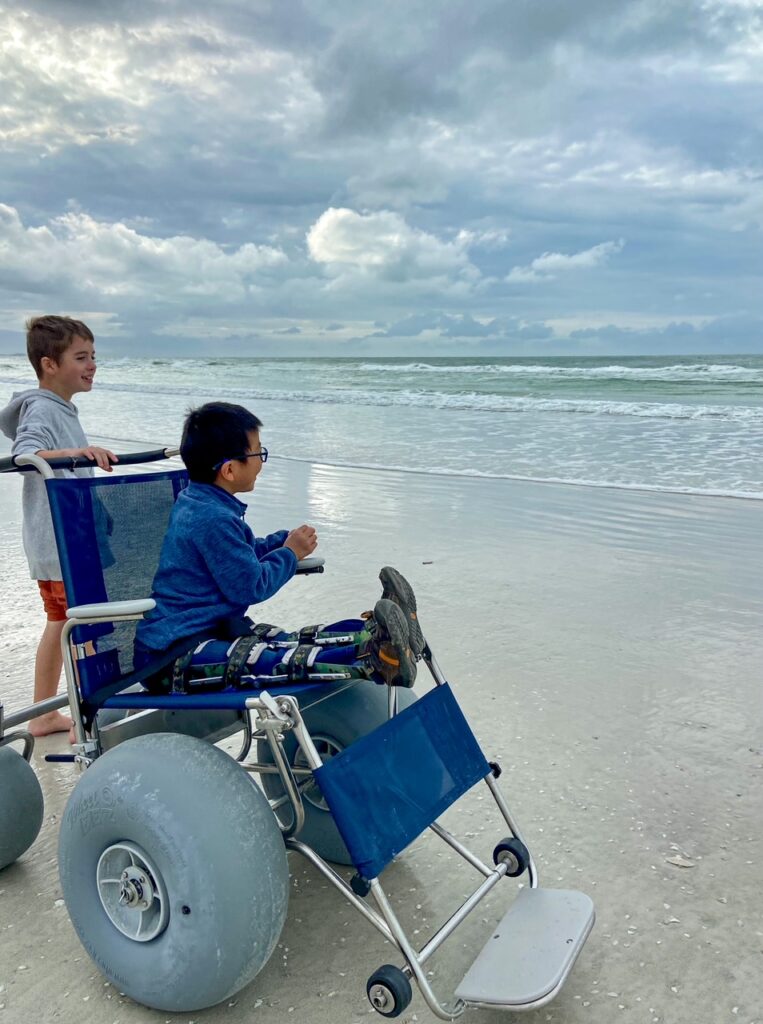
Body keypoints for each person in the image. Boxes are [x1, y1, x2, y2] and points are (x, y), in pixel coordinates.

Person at [134, 401, 425, 692]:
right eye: (258, 452)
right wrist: (290, 553)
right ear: (230, 470)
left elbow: (237, 557)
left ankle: (380, 633)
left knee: (296, 639)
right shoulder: (212, 518)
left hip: (208, 633)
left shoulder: (201, 503)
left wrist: (279, 544)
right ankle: (380, 657)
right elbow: (251, 585)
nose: (261, 461)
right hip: (172, 656)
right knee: (277, 658)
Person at [0, 316, 117, 735]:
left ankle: (44, 713)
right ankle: (89, 718)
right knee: (83, 626)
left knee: (60, 623)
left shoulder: (60, 408)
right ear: (50, 364)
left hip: (60, 545)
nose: (92, 365)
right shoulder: (42, 409)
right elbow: (25, 455)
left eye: (93, 357)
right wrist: (78, 453)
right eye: (81, 357)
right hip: (62, 546)